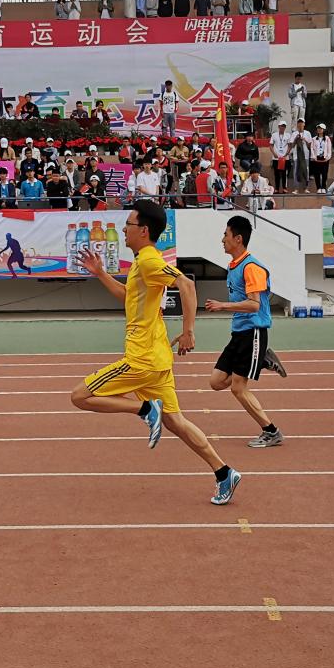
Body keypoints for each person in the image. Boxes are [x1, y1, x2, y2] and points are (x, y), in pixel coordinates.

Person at [70, 201, 241, 505]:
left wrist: (189, 331)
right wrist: (99, 273)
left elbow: (186, 285)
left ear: (144, 230)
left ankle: (145, 410)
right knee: (176, 422)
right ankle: (223, 472)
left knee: (79, 396)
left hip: (142, 358)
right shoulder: (143, 261)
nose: (124, 229)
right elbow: (127, 295)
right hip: (157, 357)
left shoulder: (149, 260)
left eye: (129, 224)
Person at [205, 216, 288, 447]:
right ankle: (261, 361)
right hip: (239, 332)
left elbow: (255, 305)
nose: (222, 239)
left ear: (238, 239)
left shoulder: (251, 268)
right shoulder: (233, 266)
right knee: (216, 381)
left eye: (226, 234)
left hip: (254, 332)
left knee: (238, 388)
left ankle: (271, 432)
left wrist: (223, 305)